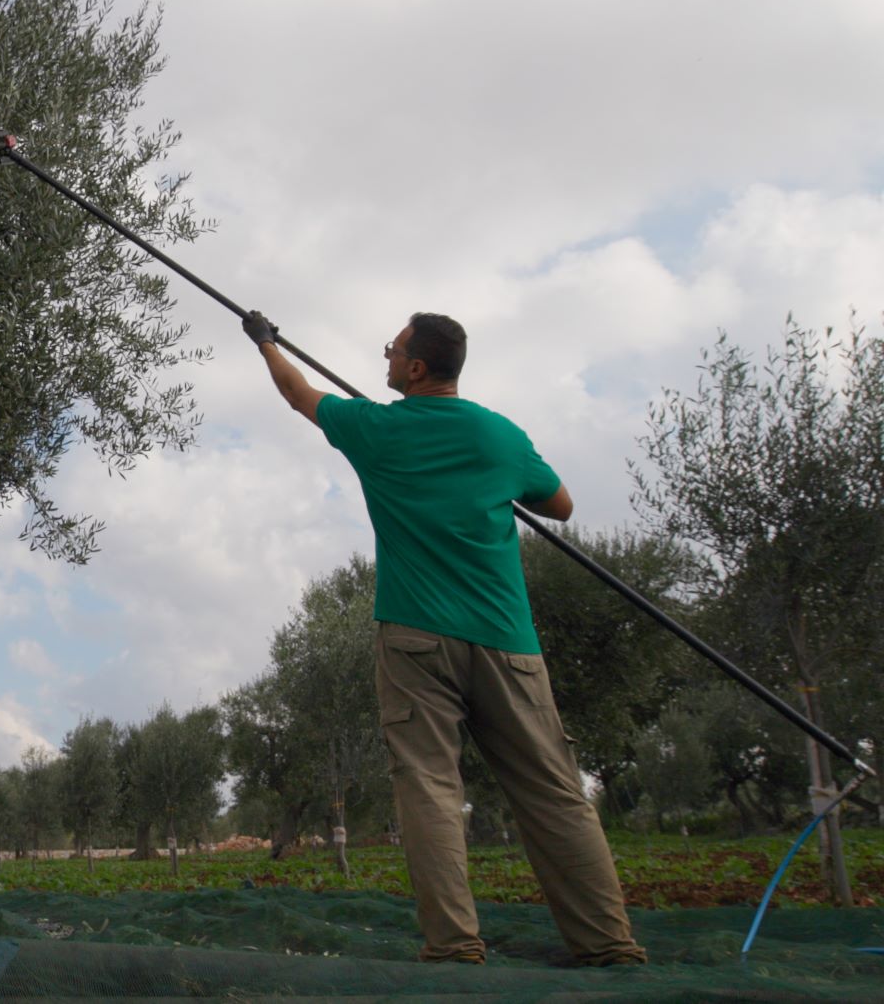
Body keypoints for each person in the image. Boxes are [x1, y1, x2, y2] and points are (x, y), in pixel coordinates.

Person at [244, 309, 645, 967]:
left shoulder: (376, 428)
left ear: (416, 368)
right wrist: (498, 486)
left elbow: (297, 393)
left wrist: (265, 342)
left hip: (415, 639)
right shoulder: (500, 435)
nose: (386, 355)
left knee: (429, 787)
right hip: (508, 642)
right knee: (553, 792)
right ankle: (608, 943)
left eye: (393, 349)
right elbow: (562, 505)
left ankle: (455, 946)